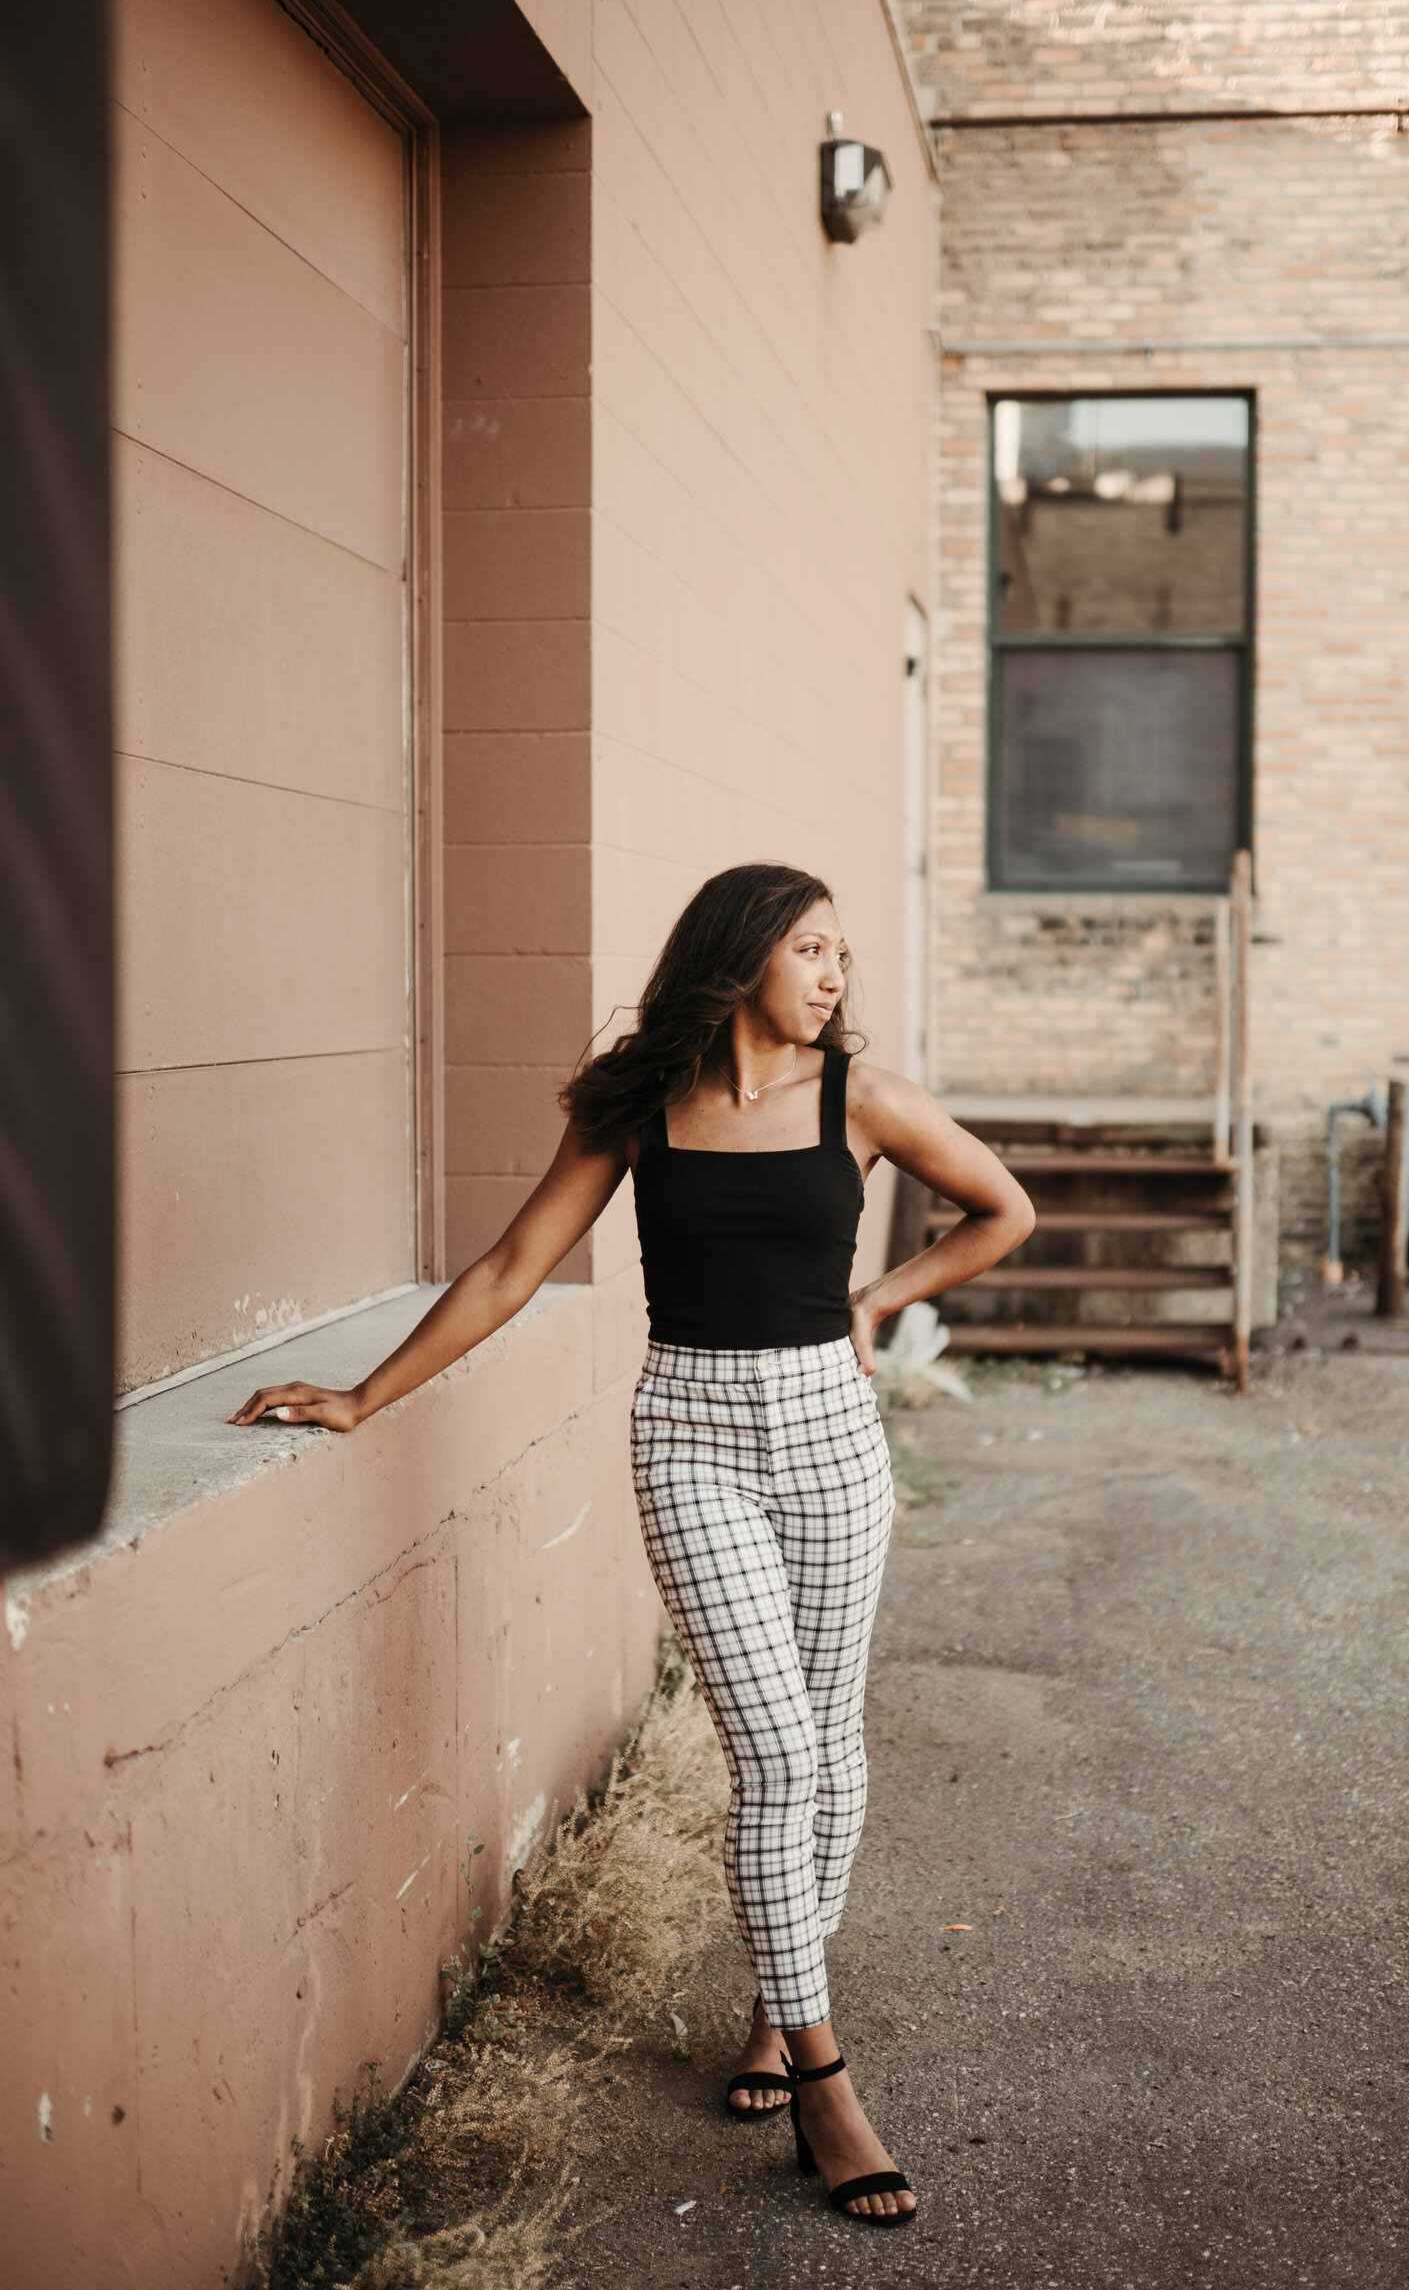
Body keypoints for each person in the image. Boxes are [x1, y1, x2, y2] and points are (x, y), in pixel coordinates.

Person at [231, 862, 1033, 2228]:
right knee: (773, 1752)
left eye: (842, 953)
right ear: (741, 954)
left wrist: (877, 1301)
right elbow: (509, 1268)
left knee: (829, 1736)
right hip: (692, 1439)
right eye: (812, 949)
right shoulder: (639, 1109)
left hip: (832, 1440)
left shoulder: (862, 1100)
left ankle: (778, 2011)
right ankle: (827, 2080)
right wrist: (364, 1397)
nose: (835, 974)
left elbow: (1004, 1209)